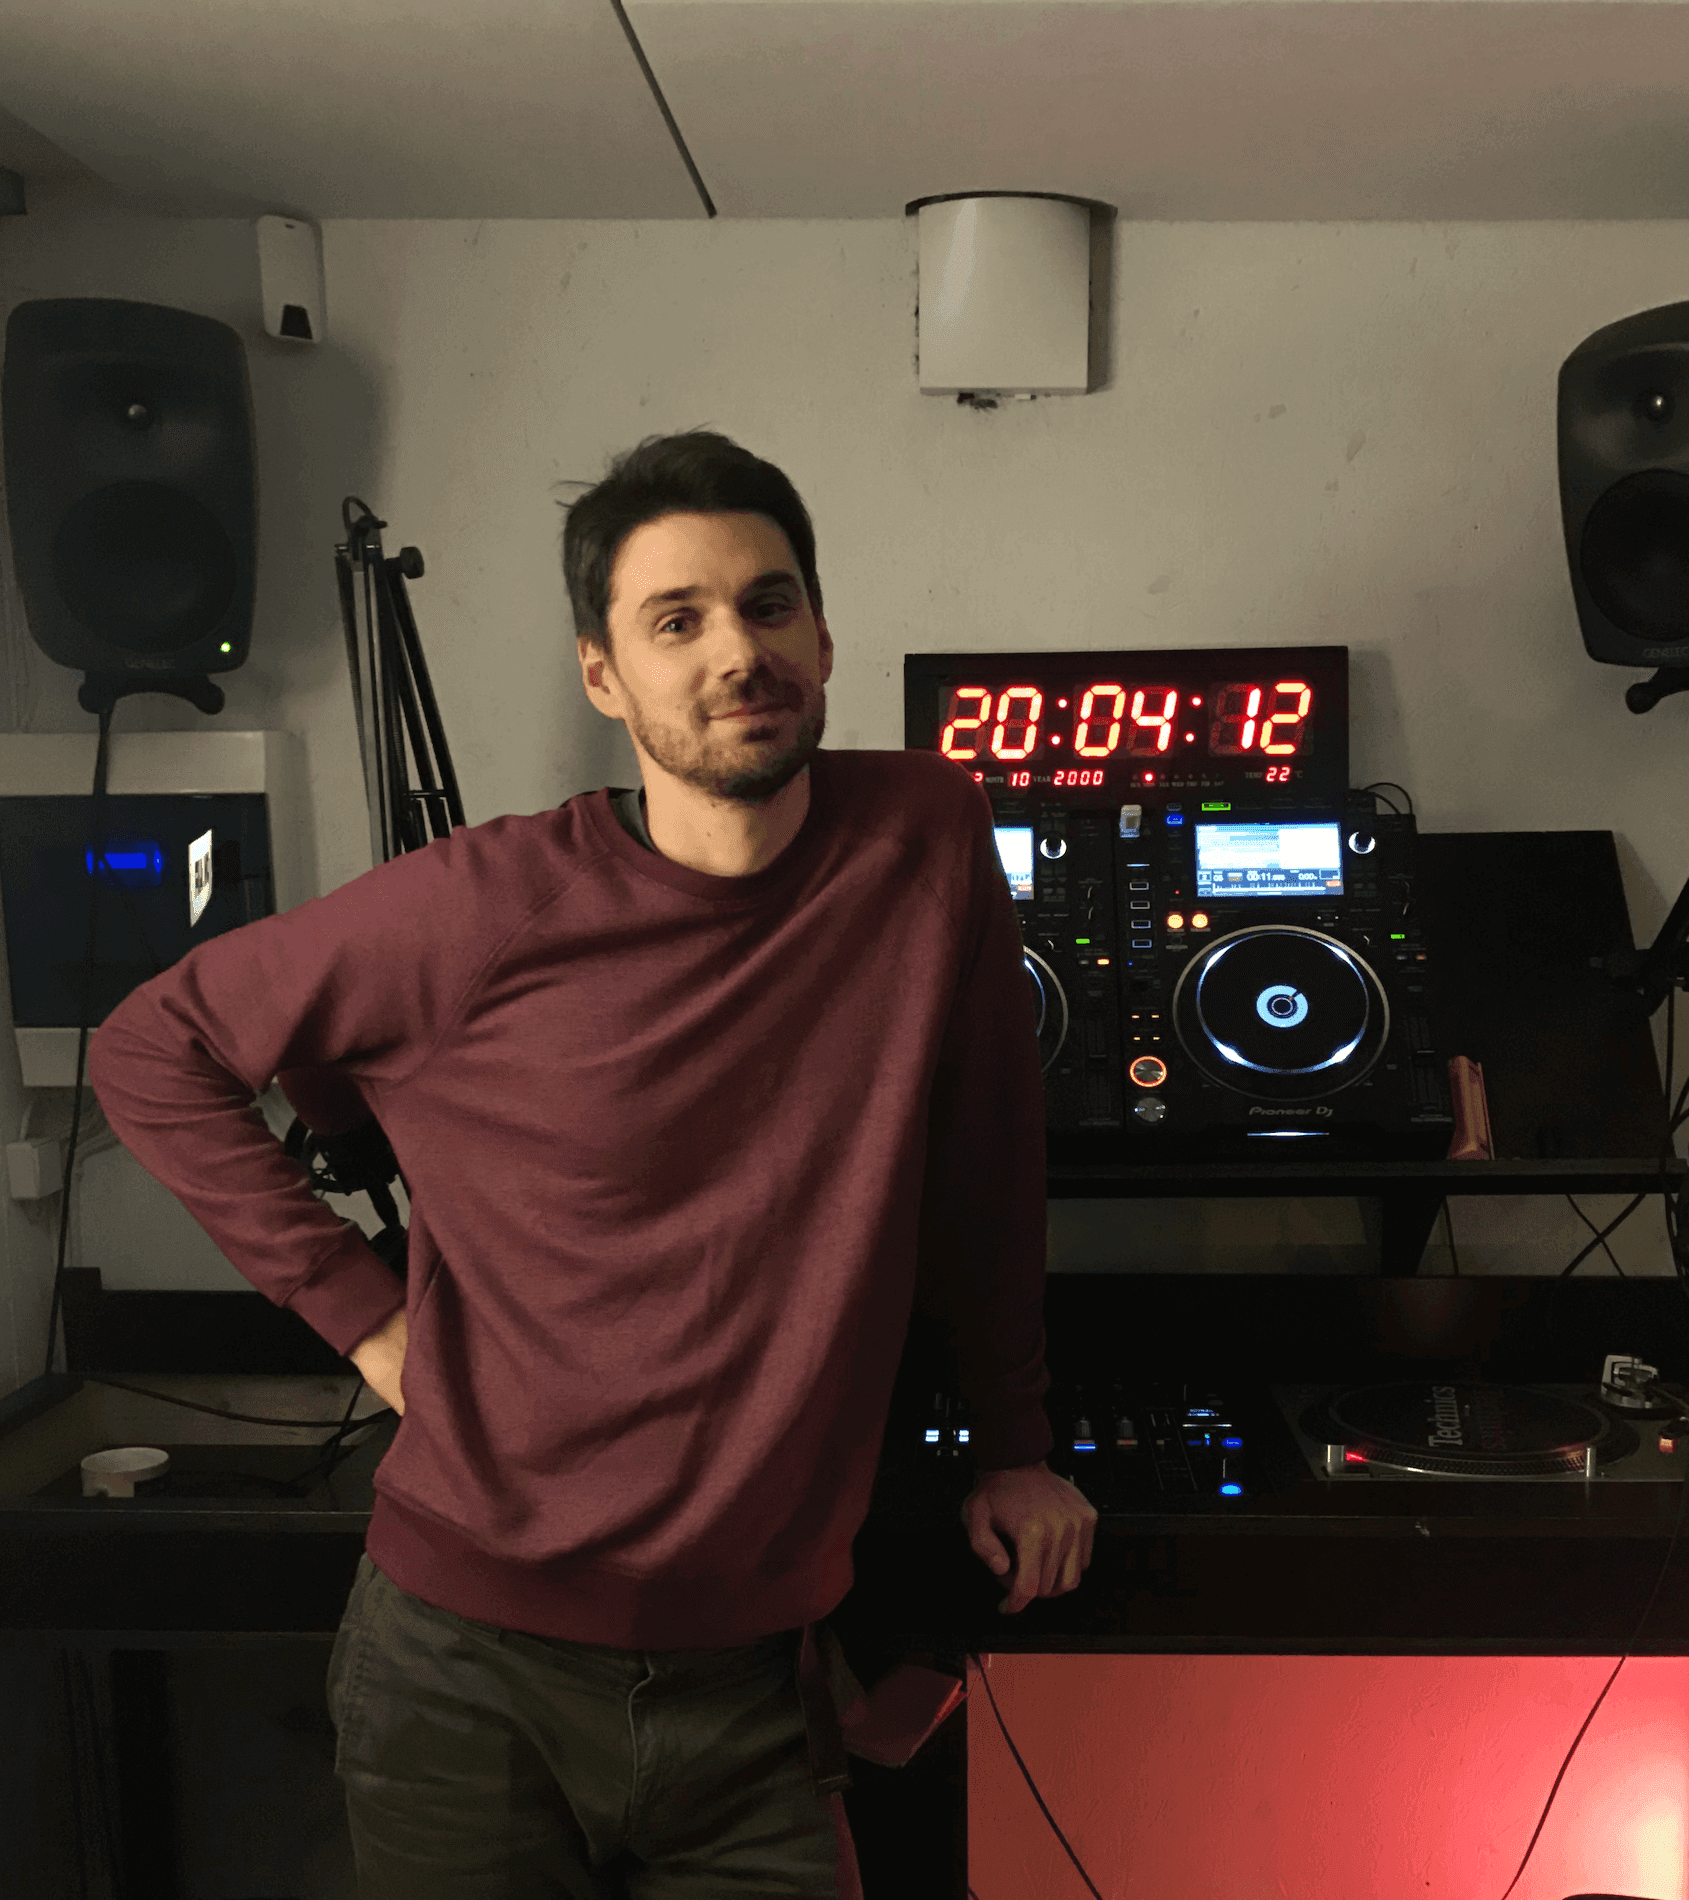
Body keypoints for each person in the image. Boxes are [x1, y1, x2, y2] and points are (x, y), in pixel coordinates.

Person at [85, 428, 1097, 1897]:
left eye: (767, 604)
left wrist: (1017, 1444)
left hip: (760, 1685)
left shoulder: (926, 837)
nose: (737, 652)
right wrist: (363, 1317)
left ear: (823, 636)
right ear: (603, 676)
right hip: (463, 1678)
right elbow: (150, 1049)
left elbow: (989, 1165)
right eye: (675, 621)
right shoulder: (481, 906)